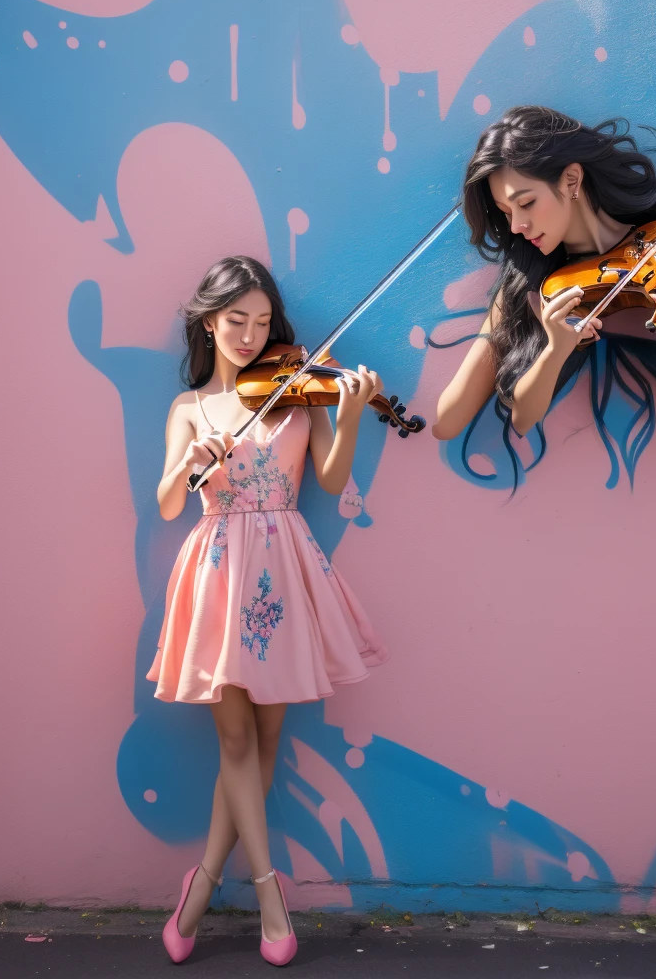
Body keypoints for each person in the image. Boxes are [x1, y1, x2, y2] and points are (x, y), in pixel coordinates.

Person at [151, 255, 388, 966]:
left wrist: (344, 416)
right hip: (219, 573)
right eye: (235, 321)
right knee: (235, 744)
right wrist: (196, 457)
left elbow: (332, 479)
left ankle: (200, 886)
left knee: (263, 746)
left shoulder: (294, 396)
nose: (250, 335)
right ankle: (269, 894)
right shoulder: (189, 408)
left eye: (261, 321)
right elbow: (167, 502)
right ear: (208, 322)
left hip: (283, 568)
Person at [431, 106, 656, 465]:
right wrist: (555, 349)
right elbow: (501, 420)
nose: (516, 226)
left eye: (526, 203)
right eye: (507, 213)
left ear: (571, 180)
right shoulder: (534, 285)